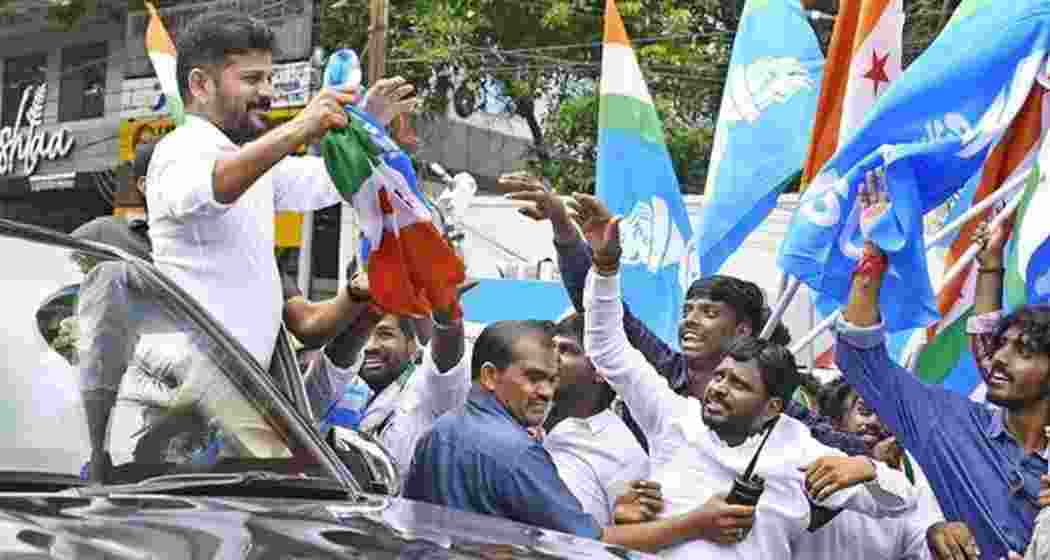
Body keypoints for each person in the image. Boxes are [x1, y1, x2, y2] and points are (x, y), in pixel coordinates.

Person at [575, 192, 918, 559]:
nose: (718, 389)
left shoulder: (800, 450)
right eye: (721, 377)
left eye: (738, 384)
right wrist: (606, 266)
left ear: (772, 406)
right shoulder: (674, 417)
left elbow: (901, 502)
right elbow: (608, 346)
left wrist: (865, 468)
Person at [501, 173, 870, 457]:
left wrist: (870, 458)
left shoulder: (776, 409)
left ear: (742, 330)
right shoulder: (659, 372)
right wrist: (565, 229)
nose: (690, 321)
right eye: (687, 311)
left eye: (708, 313)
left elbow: (839, 445)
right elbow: (599, 311)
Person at [146, 11, 416, 371]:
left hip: (237, 393)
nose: (268, 92)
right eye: (252, 79)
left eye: (270, 78)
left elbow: (332, 181)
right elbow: (214, 186)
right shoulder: (181, 148)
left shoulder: (250, 164)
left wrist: (363, 124)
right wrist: (302, 125)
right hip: (187, 389)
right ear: (200, 85)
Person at [405, 319, 783, 552]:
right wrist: (696, 522)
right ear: (489, 375)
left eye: (552, 380)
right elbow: (586, 543)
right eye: (533, 377)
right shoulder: (517, 451)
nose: (546, 392)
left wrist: (623, 520)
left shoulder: (439, 432)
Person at [834, 172, 1050, 559]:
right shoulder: (947, 422)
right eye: (1001, 346)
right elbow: (859, 357)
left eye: (1025, 350)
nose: (999, 358)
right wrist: (874, 257)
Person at [301, 271, 471, 480]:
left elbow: (447, 370)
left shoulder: (426, 394)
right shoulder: (339, 390)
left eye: (385, 334)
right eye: (366, 334)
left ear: (412, 346)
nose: (370, 346)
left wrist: (446, 317)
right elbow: (326, 375)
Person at [793, 377, 944, 560]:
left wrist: (939, 536)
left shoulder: (910, 473)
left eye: (888, 415)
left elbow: (920, 538)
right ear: (834, 423)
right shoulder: (812, 460)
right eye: (864, 411)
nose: (876, 422)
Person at [542, 312, 651, 526]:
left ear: (601, 371)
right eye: (551, 349)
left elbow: (633, 535)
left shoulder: (622, 452)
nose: (551, 359)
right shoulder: (530, 423)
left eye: (565, 350)